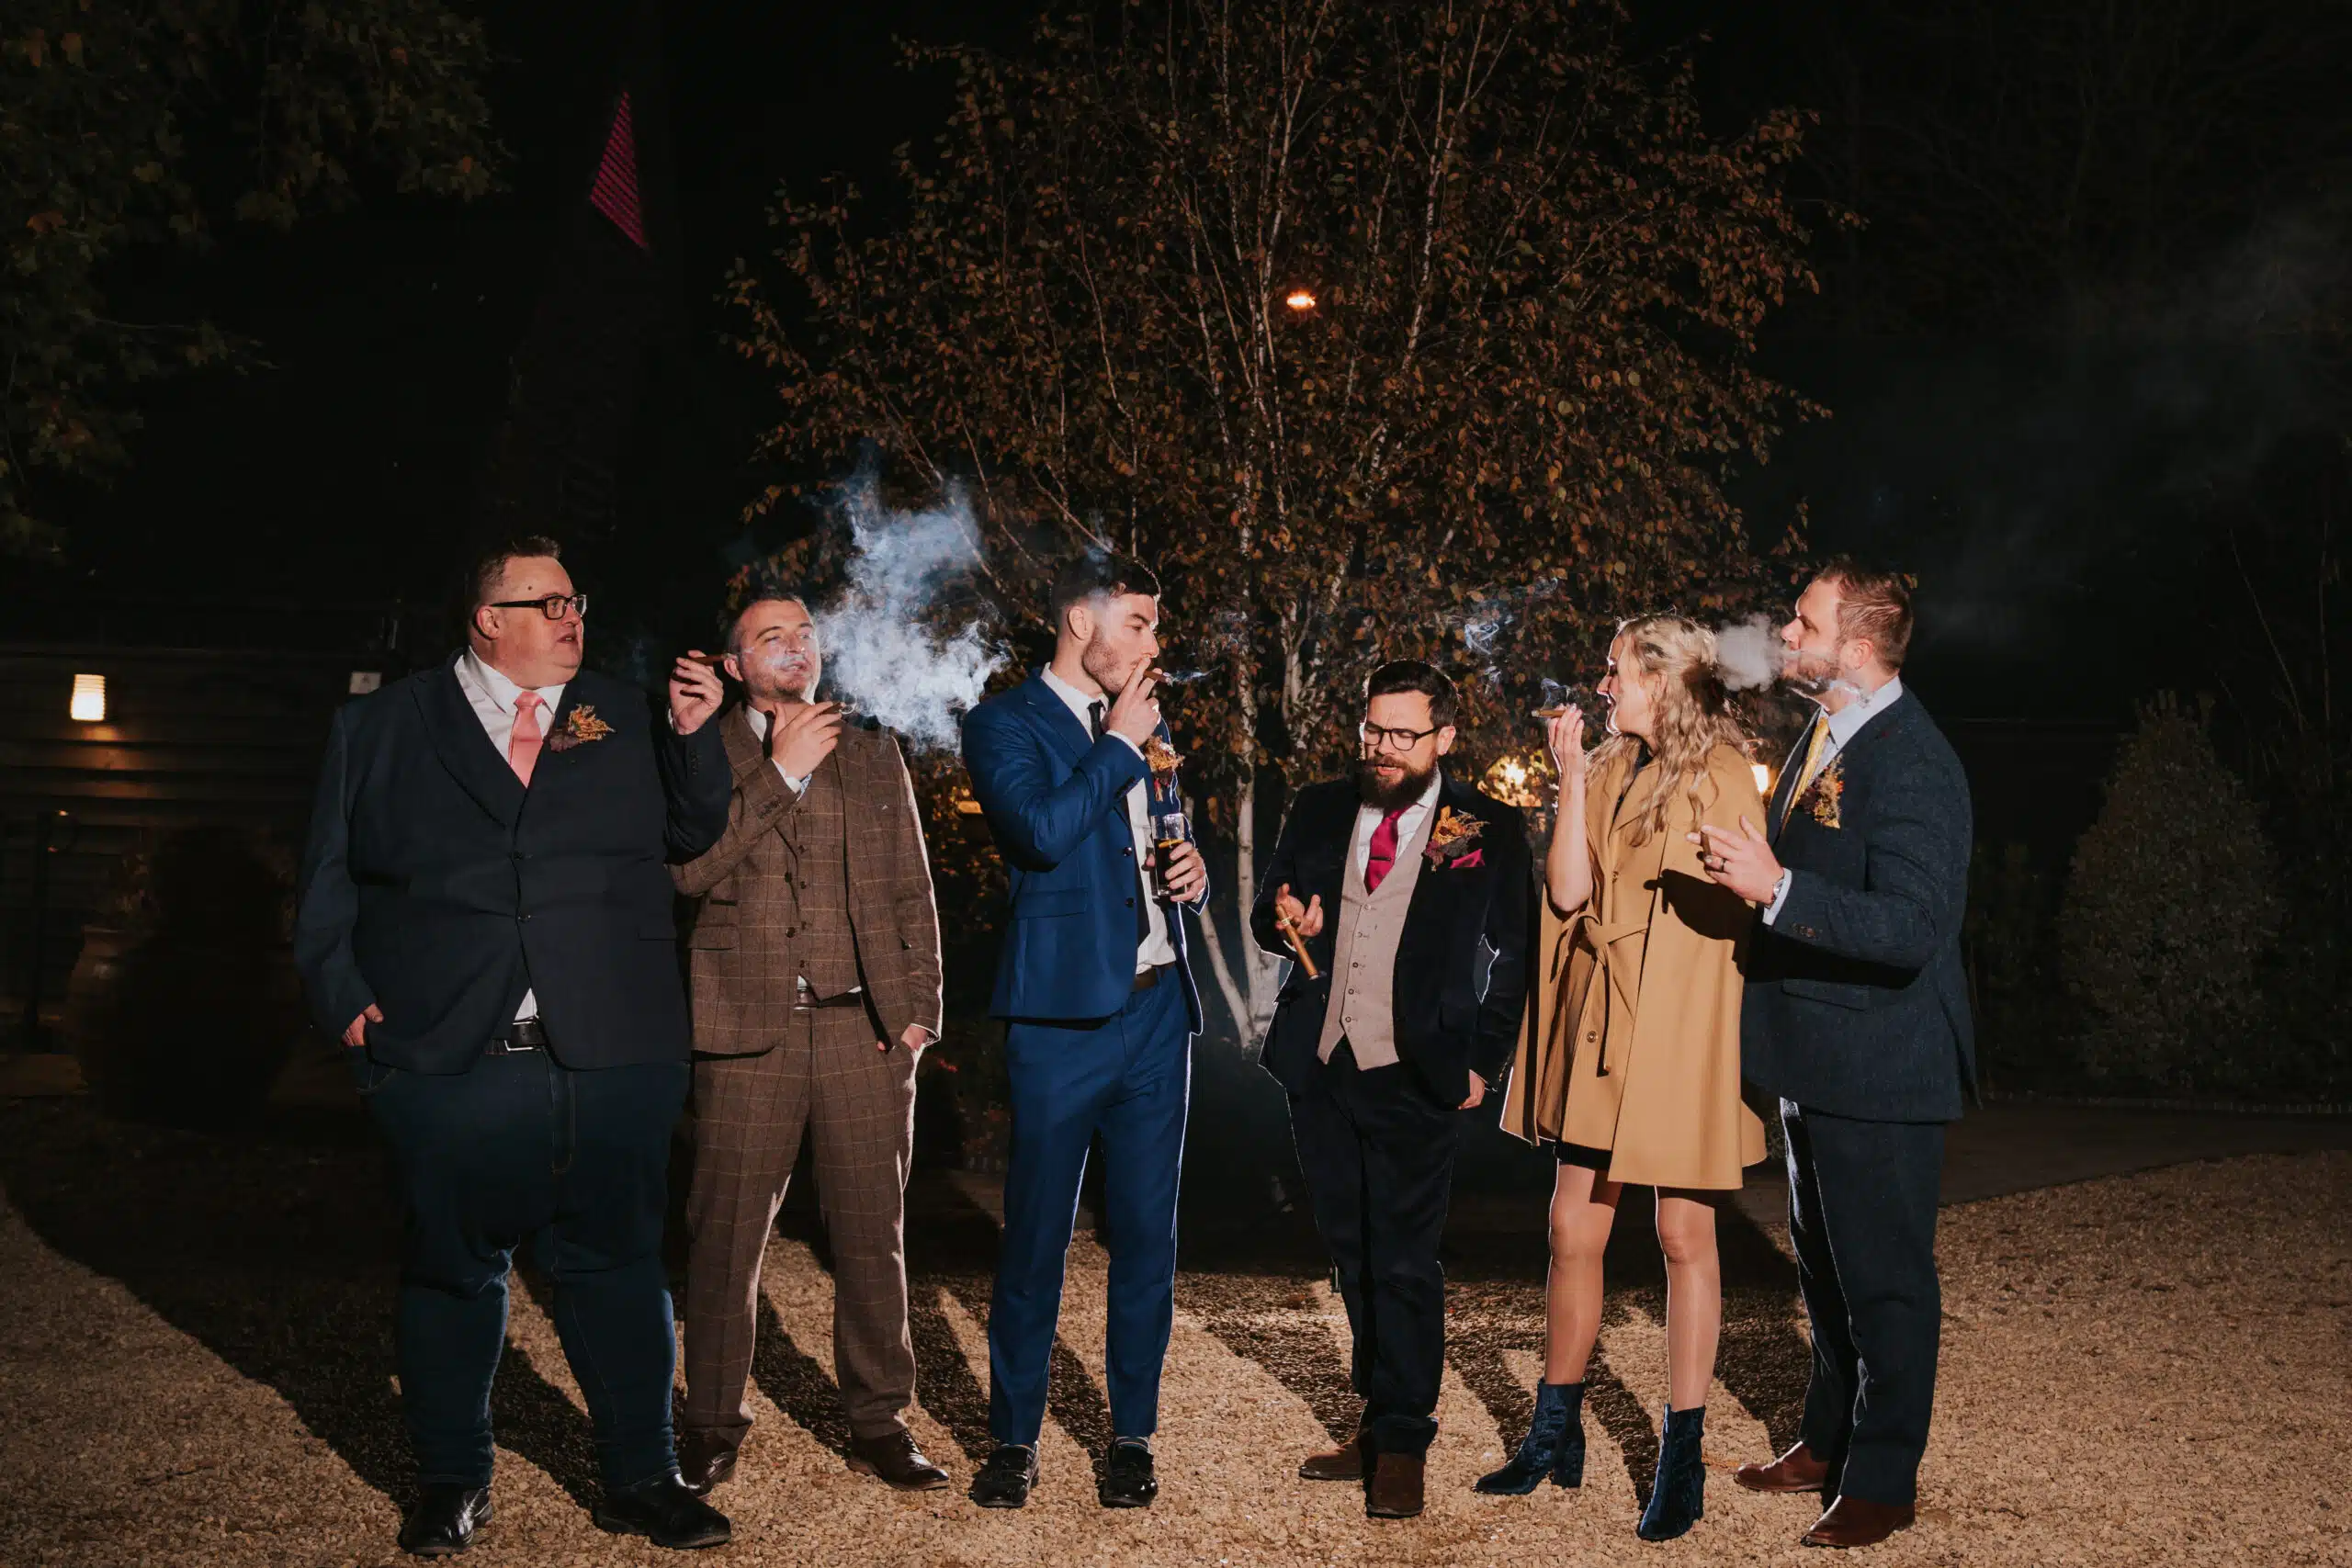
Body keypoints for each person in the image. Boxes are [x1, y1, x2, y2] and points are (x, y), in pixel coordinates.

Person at [293, 536, 735, 1555]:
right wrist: (346, 1003)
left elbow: (693, 829)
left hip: (612, 1052)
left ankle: (644, 1477)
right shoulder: (381, 726)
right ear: (488, 619)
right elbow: (326, 880)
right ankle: (453, 1479)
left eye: (577, 600)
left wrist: (695, 736)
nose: (572, 616)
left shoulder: (628, 712)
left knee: (619, 1265)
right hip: (448, 1057)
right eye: (549, 602)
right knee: (453, 1271)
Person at [1693, 561, 1973, 1550]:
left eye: (1803, 624)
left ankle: (1882, 1480)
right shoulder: (1825, 730)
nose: (1785, 633)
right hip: (1819, 1053)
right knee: (1823, 1267)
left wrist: (1776, 889)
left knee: (1885, 1280)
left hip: (1882, 1064)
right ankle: (1826, 1440)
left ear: (1856, 649)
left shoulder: (1916, 761)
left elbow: (1911, 925)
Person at [1487, 615, 1769, 1540]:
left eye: (1616, 671)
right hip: (1602, 1020)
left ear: (1663, 679)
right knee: (1571, 1228)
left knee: (1683, 1233)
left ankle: (1681, 1458)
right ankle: (1554, 1433)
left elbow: (1734, 908)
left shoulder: (1722, 771)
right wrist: (1570, 776)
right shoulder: (1607, 767)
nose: (1602, 685)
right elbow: (1568, 892)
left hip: (1677, 1024)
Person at [670, 593, 949, 1496]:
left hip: (863, 1032)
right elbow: (688, 869)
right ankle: (711, 1425)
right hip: (743, 1032)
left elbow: (911, 890)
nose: (795, 648)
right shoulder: (700, 748)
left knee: (872, 1236)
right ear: (732, 665)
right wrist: (779, 776)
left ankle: (879, 1420)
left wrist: (918, 1013)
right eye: (770, 638)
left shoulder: (870, 749)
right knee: (724, 1239)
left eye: (805, 634)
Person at [1250, 660, 1532, 1520]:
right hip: (1322, 1064)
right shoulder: (1320, 805)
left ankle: (1405, 1438)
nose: (1382, 747)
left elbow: (1516, 952)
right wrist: (1289, 920)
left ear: (1444, 737)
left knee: (1405, 1259)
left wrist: (1483, 1058)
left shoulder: (1483, 825)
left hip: (1419, 1072)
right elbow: (1268, 910)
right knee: (1352, 1253)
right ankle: (1376, 1419)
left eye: (1403, 734)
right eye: (1374, 729)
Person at [957, 551, 1209, 1511]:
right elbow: (1038, 832)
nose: (1152, 641)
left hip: (1157, 1010)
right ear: (1079, 621)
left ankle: (1132, 1435)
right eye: (1137, 622)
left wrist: (1193, 876)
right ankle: (1013, 1439)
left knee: (1147, 1237)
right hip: (1059, 1020)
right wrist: (1115, 745)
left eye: (1154, 624)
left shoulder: (1148, 724)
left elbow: (1161, 836)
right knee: (1035, 1238)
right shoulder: (1004, 723)